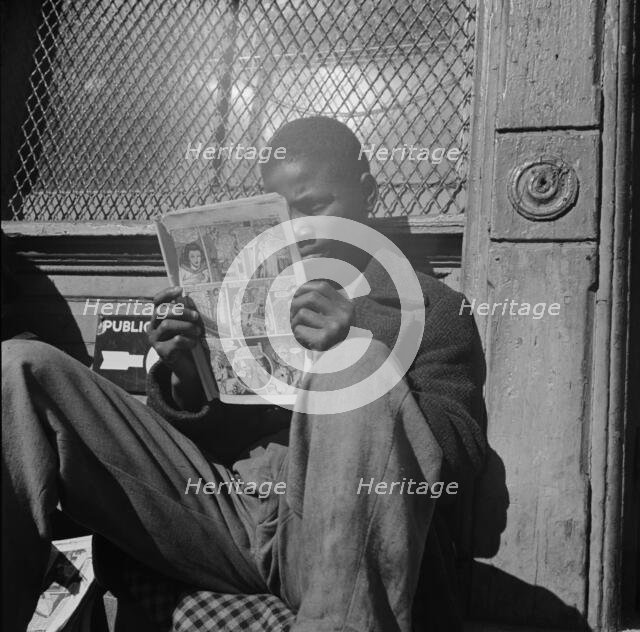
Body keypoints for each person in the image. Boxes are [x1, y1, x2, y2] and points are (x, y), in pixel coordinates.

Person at [2, 117, 487, 632]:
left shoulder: (431, 305)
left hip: (334, 523)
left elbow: (457, 457)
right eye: (280, 214)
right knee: (18, 366)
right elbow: (195, 443)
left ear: (366, 191)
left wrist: (353, 345)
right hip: (219, 509)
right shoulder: (244, 293)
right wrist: (188, 376)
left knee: (357, 366)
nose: (297, 232)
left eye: (316, 206)